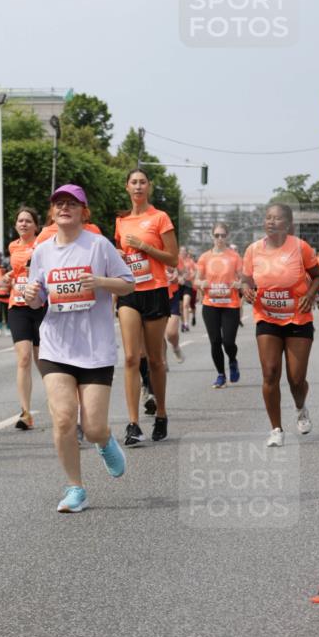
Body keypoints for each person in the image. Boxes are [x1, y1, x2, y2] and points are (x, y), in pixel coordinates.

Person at [25, 184, 134, 512]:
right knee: (62, 419)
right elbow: (37, 299)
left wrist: (100, 282)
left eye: (72, 203)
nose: (64, 208)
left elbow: (128, 284)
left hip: (94, 347)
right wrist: (32, 298)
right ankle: (76, 488)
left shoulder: (99, 246)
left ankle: (104, 440)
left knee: (93, 425)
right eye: (58, 203)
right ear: (52, 212)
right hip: (56, 346)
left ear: (83, 211)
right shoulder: (43, 251)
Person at [241, 203, 319, 447]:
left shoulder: (300, 247)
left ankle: (300, 406)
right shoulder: (253, 250)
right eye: (268, 218)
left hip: (298, 318)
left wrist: (310, 294)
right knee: (270, 372)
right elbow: (245, 279)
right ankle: (276, 429)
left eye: (277, 219)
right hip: (267, 317)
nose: (271, 222)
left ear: (288, 224)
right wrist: (245, 289)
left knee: (296, 379)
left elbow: (317, 275)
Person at [115, 169, 179, 445]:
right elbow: (121, 254)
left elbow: (173, 258)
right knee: (130, 357)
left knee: (155, 359)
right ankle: (132, 424)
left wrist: (144, 246)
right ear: (127, 188)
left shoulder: (160, 218)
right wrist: (118, 255)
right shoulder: (121, 221)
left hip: (154, 291)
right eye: (133, 182)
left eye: (142, 182)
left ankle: (162, 414)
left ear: (149, 187)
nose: (138, 186)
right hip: (130, 292)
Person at [5, 206, 44, 430]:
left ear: (36, 226)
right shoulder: (12, 246)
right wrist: (10, 275)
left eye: (28, 221)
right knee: (24, 358)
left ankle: (60, 399)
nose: (23, 224)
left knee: (42, 359)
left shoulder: (43, 244)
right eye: (20, 221)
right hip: (17, 306)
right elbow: (19, 270)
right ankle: (26, 412)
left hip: (39, 306)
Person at [196, 223, 243, 388]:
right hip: (210, 304)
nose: (220, 238)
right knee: (215, 341)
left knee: (228, 342)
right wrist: (201, 283)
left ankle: (232, 360)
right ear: (212, 237)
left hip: (230, 304)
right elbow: (196, 279)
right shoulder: (204, 257)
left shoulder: (234, 256)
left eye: (223, 235)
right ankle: (221, 375)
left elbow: (243, 277)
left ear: (227, 236)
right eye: (217, 235)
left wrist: (239, 283)